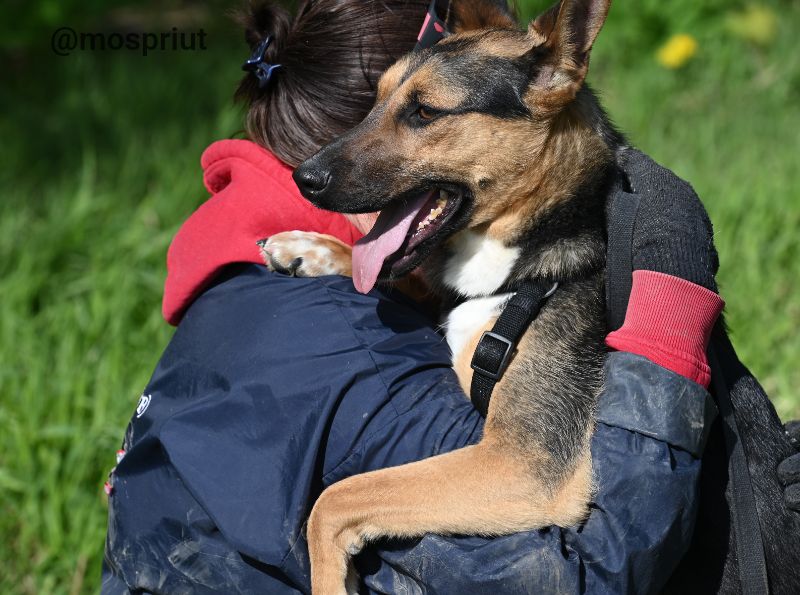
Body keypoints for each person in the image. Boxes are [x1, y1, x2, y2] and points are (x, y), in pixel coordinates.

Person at [101, 0, 748, 592]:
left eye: (419, 115)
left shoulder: (238, 282)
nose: (365, 144)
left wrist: (365, 260)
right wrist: (672, 305)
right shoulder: (370, 358)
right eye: (391, 110)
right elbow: (589, 563)